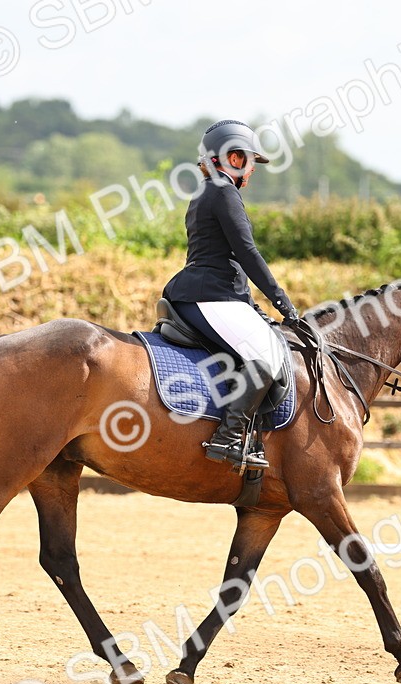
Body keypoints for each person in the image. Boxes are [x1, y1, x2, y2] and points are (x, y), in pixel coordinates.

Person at [162, 119, 300, 470]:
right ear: (234, 158)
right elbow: (247, 253)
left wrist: (255, 308)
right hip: (210, 295)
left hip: (210, 292)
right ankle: (228, 437)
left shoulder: (207, 191)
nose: (252, 171)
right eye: (250, 161)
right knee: (266, 357)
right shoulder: (224, 191)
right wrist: (282, 301)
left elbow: (226, 259)